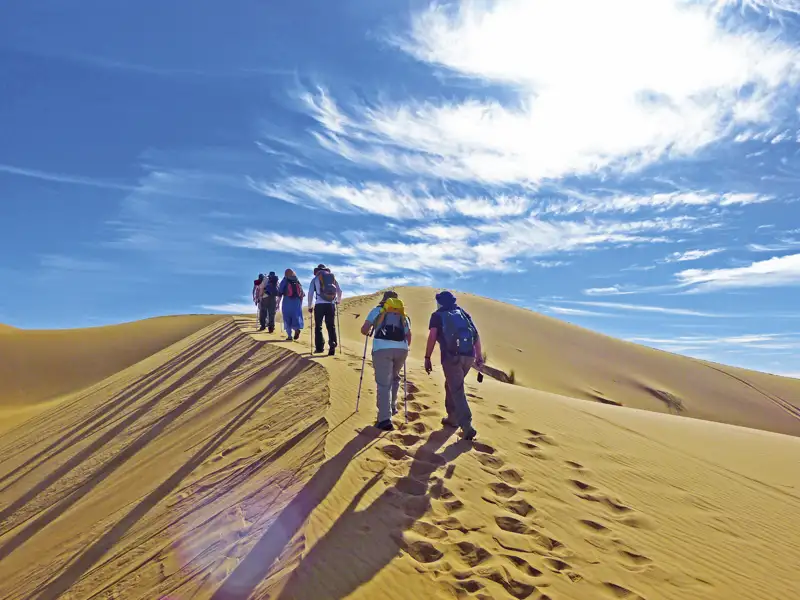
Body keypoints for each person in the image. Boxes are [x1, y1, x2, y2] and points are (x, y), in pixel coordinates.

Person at [424, 290, 482, 441]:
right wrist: (479, 356)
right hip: (469, 356)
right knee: (451, 385)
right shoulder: (462, 313)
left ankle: (467, 425)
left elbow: (432, 336)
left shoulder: (437, 315)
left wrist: (427, 357)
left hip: (451, 356)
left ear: (440, 302)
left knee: (456, 389)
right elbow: (475, 335)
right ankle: (452, 418)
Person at [360, 291, 412, 431]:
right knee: (394, 378)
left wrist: (372, 330)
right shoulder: (403, 315)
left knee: (383, 384)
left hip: (382, 349)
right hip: (402, 350)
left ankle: (384, 419)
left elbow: (364, 330)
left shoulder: (377, 311)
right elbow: (409, 336)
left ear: (384, 300)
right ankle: (392, 407)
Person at [308, 264, 343, 355]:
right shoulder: (332, 279)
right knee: (331, 326)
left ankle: (319, 348)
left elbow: (310, 293)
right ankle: (332, 344)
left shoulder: (315, 279)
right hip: (330, 305)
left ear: (317, 270)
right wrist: (338, 301)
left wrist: (309, 306)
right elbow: (339, 291)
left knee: (318, 326)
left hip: (319, 305)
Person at [278, 268, 305, 341]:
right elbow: (302, 294)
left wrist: (278, 303)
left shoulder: (284, 280)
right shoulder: (297, 280)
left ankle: (289, 336)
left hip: (287, 301)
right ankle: (296, 329)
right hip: (297, 302)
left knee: (287, 318)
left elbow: (280, 292)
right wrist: (300, 303)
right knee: (296, 316)